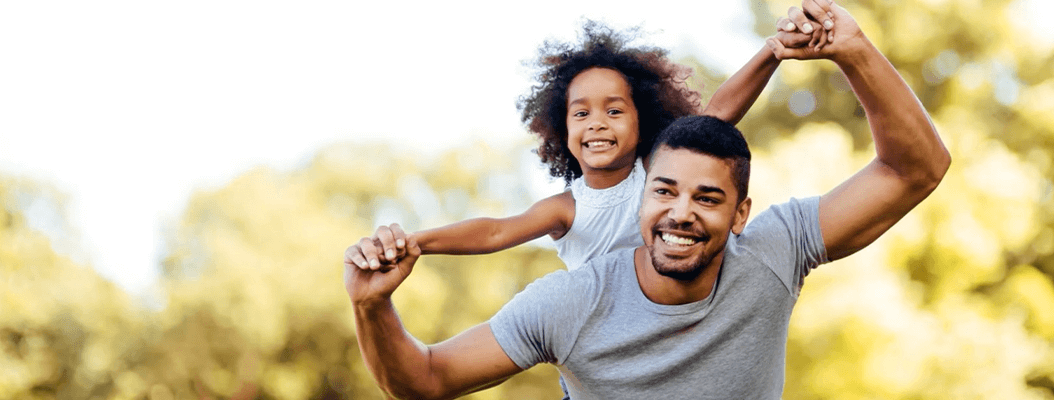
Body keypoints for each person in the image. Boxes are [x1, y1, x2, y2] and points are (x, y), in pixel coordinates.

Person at [343, 0, 951, 398]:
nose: (681, 210)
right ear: (643, 195)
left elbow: (914, 169)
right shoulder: (569, 296)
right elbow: (424, 377)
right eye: (664, 191)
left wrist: (848, 47)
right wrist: (376, 304)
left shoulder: (772, 252)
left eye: (708, 197)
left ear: (741, 214)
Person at [346, 19, 830, 274]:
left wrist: (773, 51)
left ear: (646, 121)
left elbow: (719, 111)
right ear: (562, 129)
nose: (597, 124)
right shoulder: (568, 208)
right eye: (581, 113)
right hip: (600, 346)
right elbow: (496, 232)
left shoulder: (658, 169)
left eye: (614, 111)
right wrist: (416, 243)